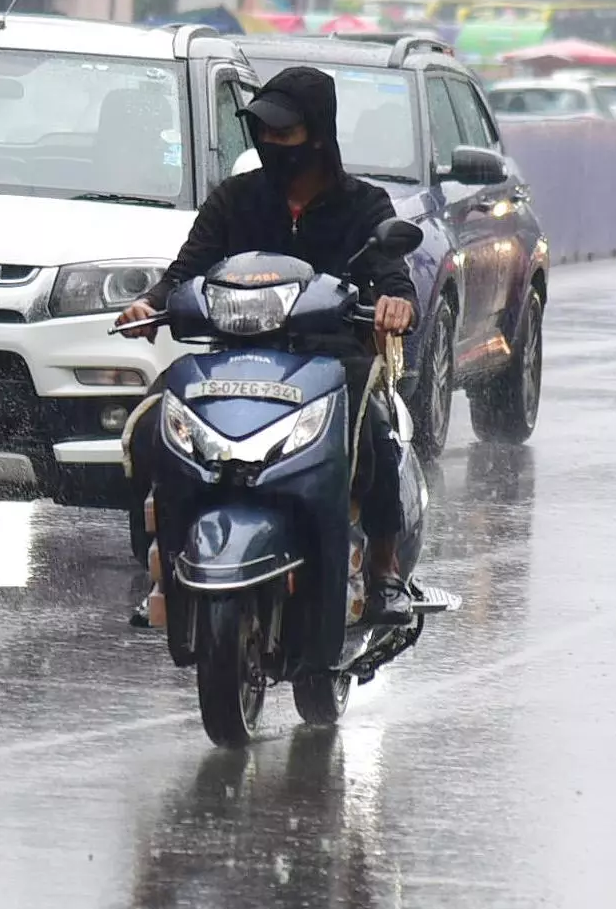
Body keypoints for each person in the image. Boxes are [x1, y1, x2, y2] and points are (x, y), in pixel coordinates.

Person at [117, 66, 419, 621]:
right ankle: (161, 567)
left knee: (374, 432)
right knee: (148, 429)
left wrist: (396, 303)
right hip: (230, 357)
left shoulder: (365, 205)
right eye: (266, 134)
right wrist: (150, 304)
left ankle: (383, 568)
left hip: (331, 359)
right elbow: (185, 271)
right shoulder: (235, 198)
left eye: (286, 134)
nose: (273, 144)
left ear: (319, 135)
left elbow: (394, 279)